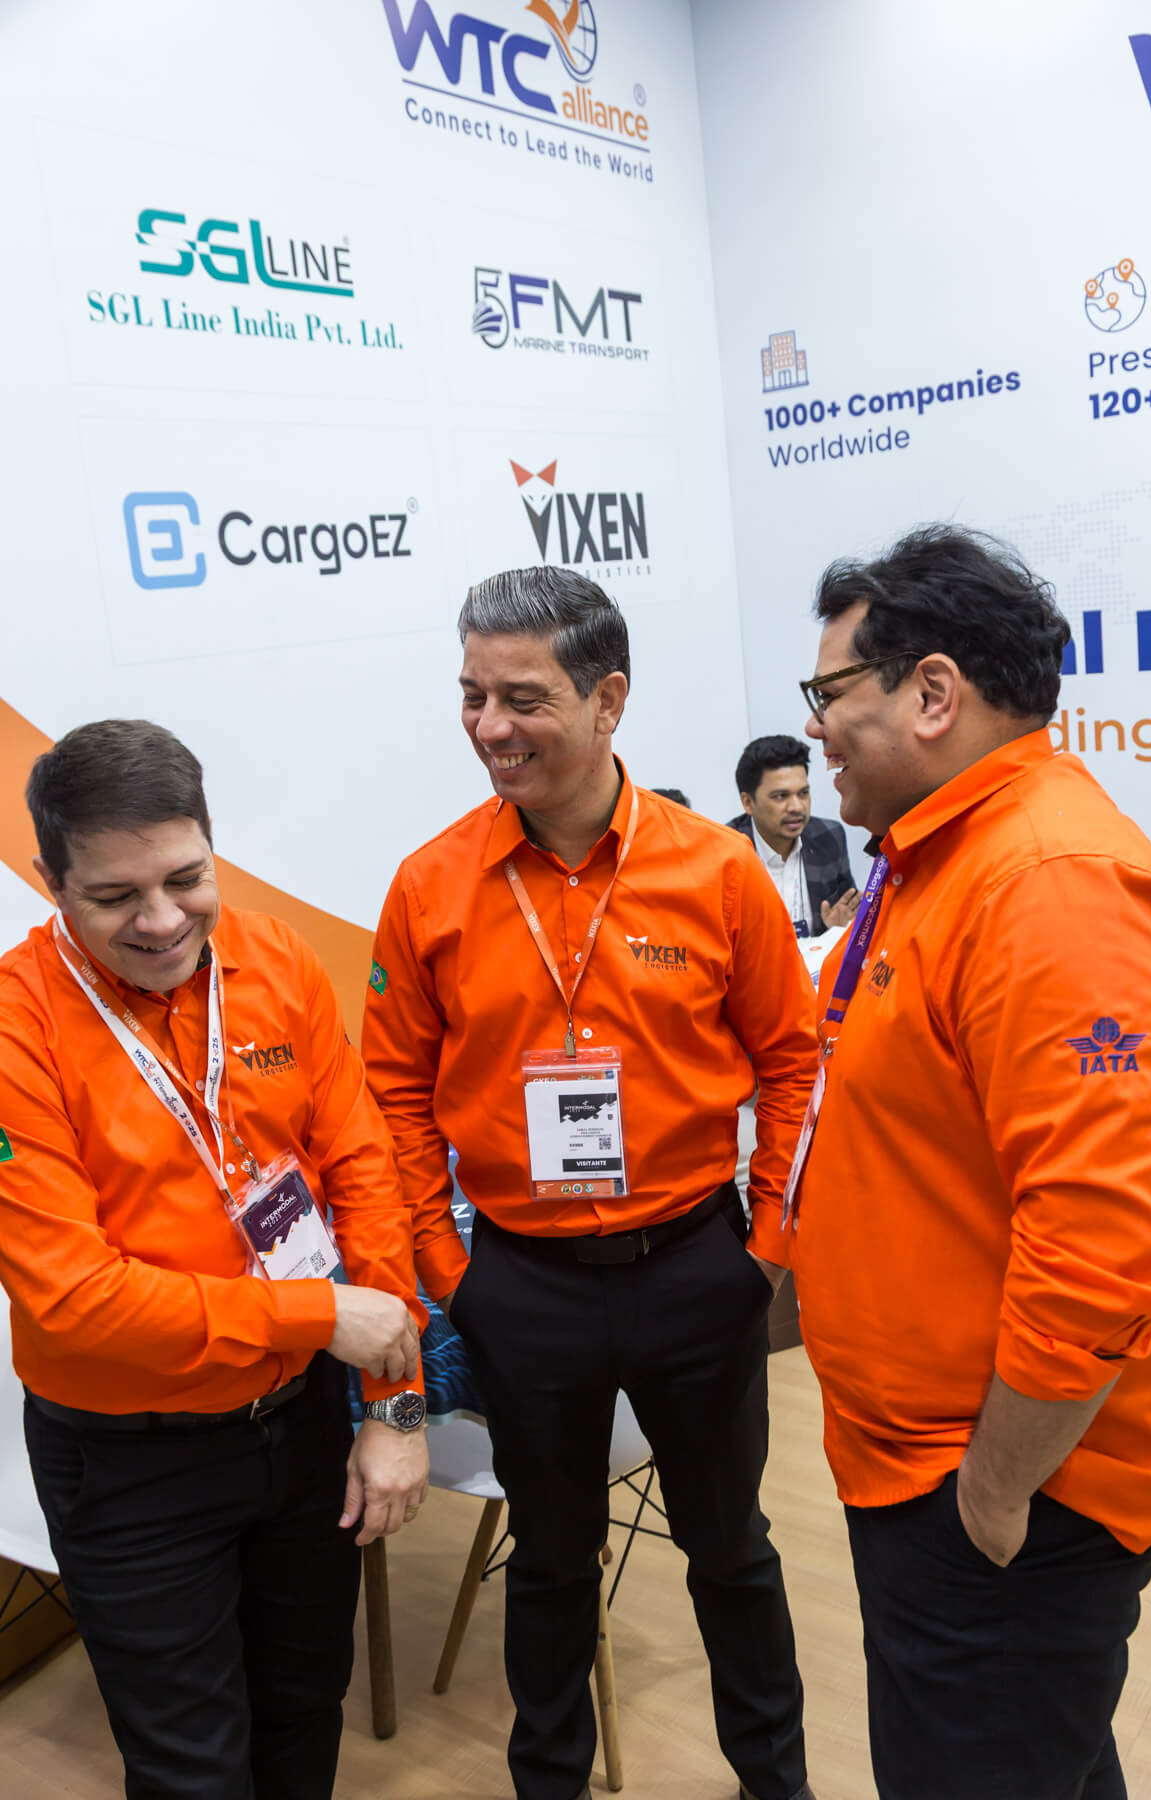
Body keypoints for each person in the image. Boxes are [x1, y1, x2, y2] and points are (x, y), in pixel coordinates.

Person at [363, 566, 819, 1800]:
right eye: (472, 696)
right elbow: (393, 1092)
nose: (489, 727)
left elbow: (793, 1062)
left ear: (608, 700)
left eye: (523, 698)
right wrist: (447, 1266)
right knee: (551, 1559)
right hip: (522, 1285)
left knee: (731, 1550)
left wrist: (766, 1247)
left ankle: (775, 1781)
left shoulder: (715, 872)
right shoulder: (429, 885)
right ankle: (548, 1782)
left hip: (695, 1268)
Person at [788, 525, 1151, 1800]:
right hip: (934, 1460)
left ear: (932, 692)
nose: (812, 729)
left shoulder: (1046, 884)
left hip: (1002, 1486)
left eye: (827, 692)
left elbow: (1107, 1243)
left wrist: (998, 1489)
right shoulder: (947, 859)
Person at [0, 719, 430, 1800]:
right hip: (131, 1462)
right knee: (191, 1768)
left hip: (299, 1428)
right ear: (51, 882)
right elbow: (74, 1298)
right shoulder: (15, 1025)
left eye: (187, 879)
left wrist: (394, 1409)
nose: (161, 921)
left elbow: (363, 1170)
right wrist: (318, 1319)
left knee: (304, 1714)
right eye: (115, 897)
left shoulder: (274, 958)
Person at [726, 735, 857, 938]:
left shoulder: (828, 836)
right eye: (781, 796)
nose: (796, 807)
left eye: (803, 793)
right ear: (748, 803)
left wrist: (836, 929)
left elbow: (848, 913)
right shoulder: (725, 852)